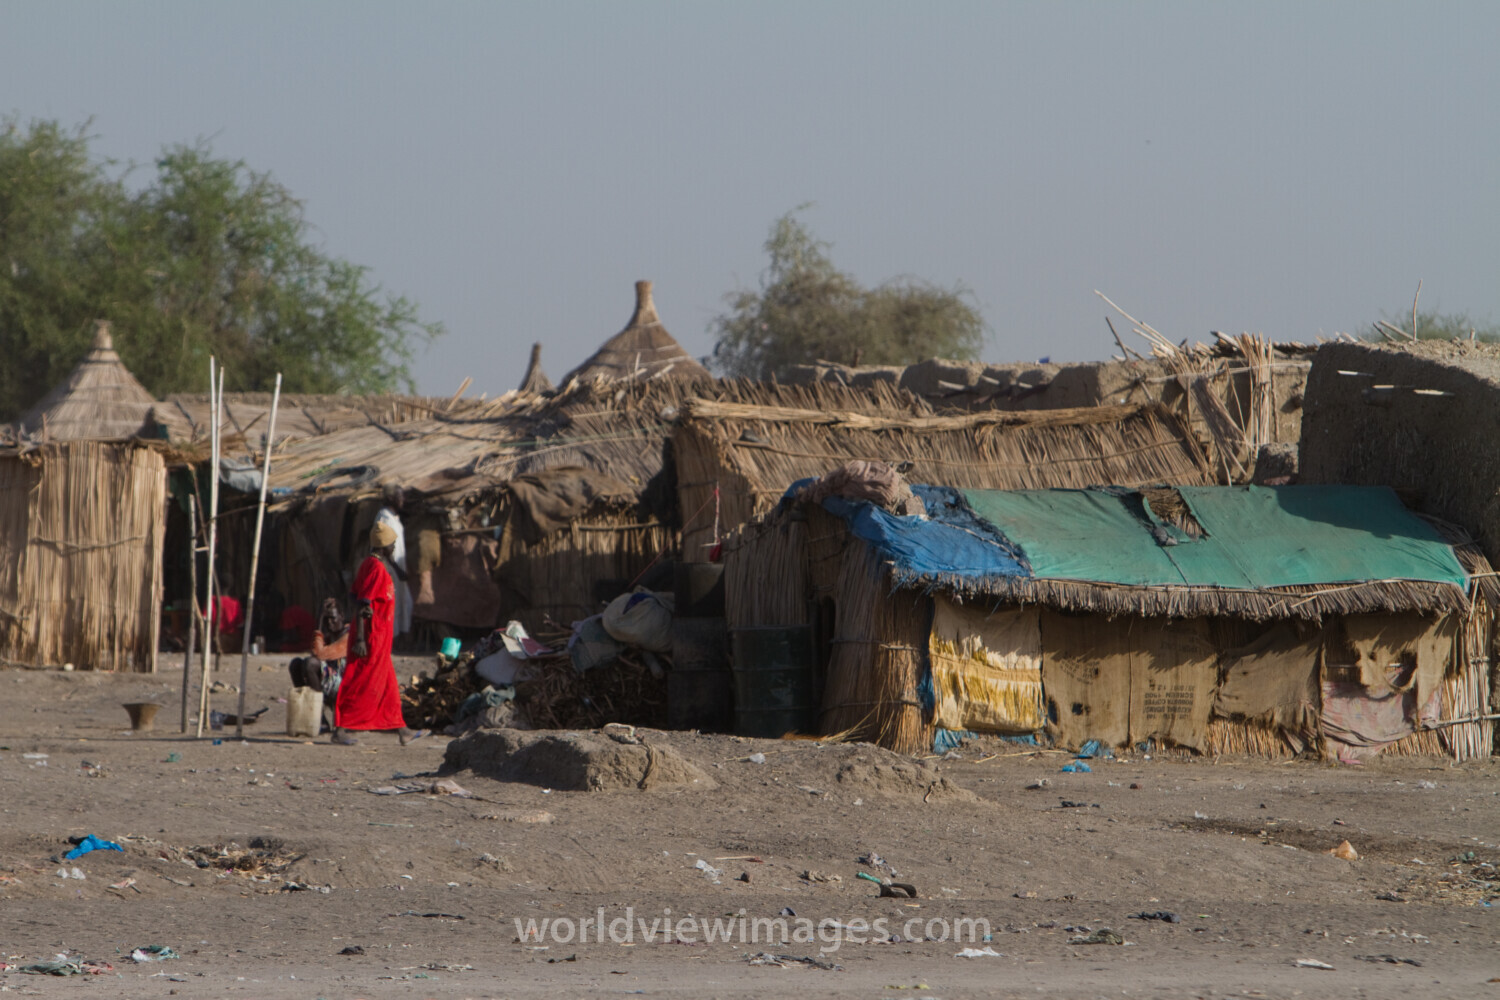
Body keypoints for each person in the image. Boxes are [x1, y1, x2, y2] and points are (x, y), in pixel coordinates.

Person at [330, 522, 427, 746]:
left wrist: (389, 559)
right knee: (359, 680)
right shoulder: (376, 569)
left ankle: (402, 730)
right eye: (392, 545)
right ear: (385, 547)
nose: (394, 548)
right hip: (371, 637)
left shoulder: (371, 563)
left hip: (379, 638)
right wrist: (362, 639)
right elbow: (363, 604)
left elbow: (355, 594)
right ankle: (340, 728)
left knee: (388, 684)